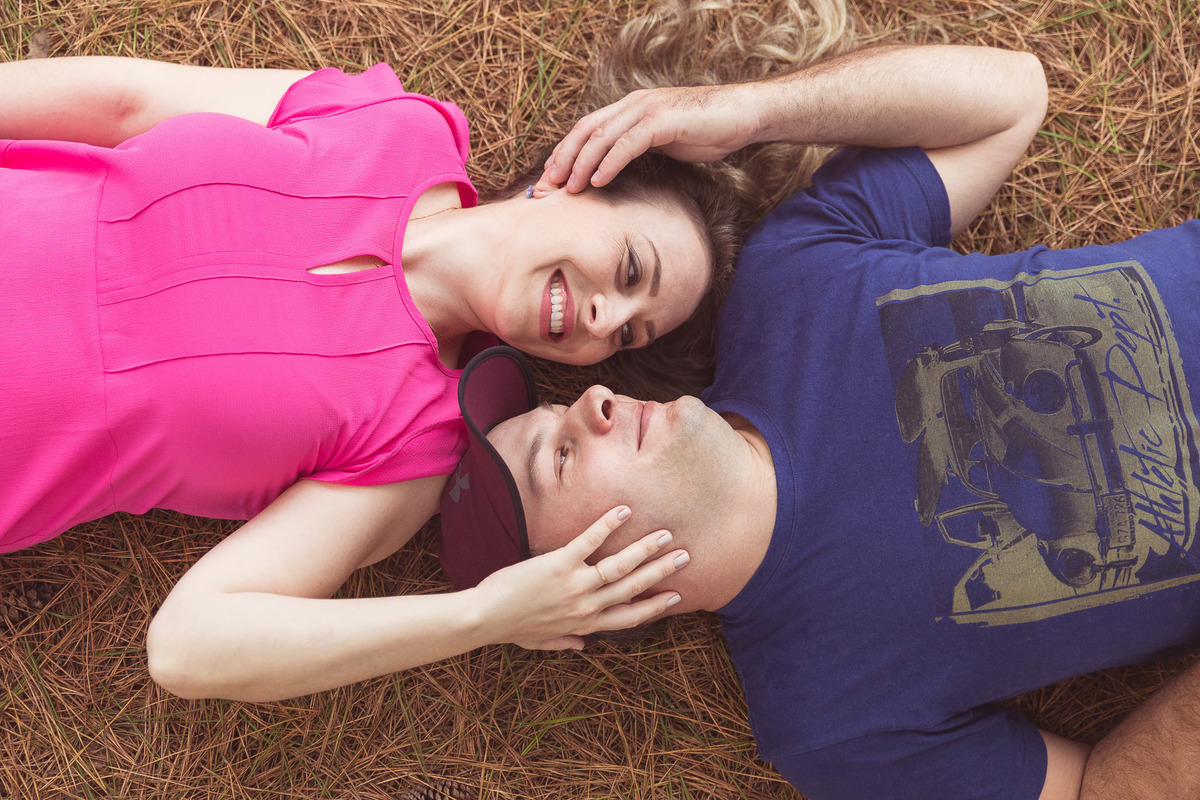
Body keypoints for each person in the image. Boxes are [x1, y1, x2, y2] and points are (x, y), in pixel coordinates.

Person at [0, 0, 853, 702]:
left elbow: (190, 646)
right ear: (579, 174)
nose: (601, 315)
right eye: (629, 268)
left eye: (628, 332)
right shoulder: (388, 123)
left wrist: (483, 616)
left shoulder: (411, 445)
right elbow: (123, 105)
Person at [441, 42, 1200, 800]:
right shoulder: (830, 718)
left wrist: (750, 109)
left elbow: (1011, 99)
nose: (592, 401)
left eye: (561, 407)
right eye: (562, 457)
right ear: (597, 594)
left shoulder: (789, 282)